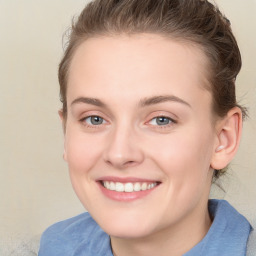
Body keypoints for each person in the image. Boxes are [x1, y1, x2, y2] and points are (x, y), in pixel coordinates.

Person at [38, 0, 252, 255]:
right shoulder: (53, 246)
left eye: (162, 119)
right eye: (94, 119)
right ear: (66, 133)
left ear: (223, 139)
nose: (119, 154)